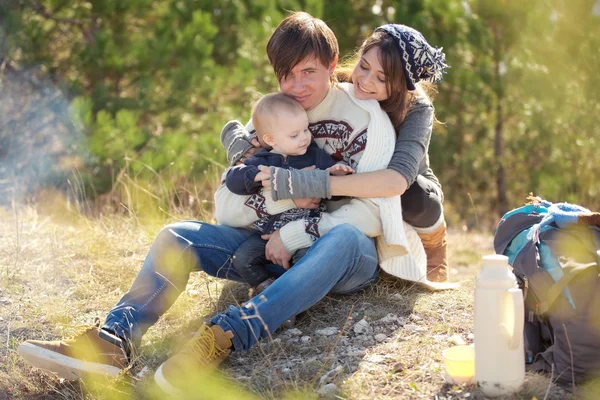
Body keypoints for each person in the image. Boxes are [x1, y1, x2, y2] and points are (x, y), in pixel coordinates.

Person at [17, 12, 454, 396]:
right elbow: (227, 205)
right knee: (176, 235)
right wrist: (275, 200)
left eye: (308, 72)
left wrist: (298, 218)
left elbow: (378, 207)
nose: (296, 86)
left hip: (341, 253)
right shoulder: (274, 113)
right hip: (266, 246)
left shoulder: (372, 121)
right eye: (286, 75)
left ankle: (227, 334)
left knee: (343, 237)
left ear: (329, 66)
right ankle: (114, 338)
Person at [222, 93, 352, 293]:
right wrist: (255, 176)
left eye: (305, 130)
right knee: (243, 259)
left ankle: (292, 295)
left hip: (304, 230)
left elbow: (335, 191)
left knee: (306, 261)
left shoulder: (314, 155)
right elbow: (232, 179)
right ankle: (266, 289)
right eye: (294, 135)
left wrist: (335, 173)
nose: (304, 138)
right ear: (270, 139)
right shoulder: (263, 161)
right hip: (267, 234)